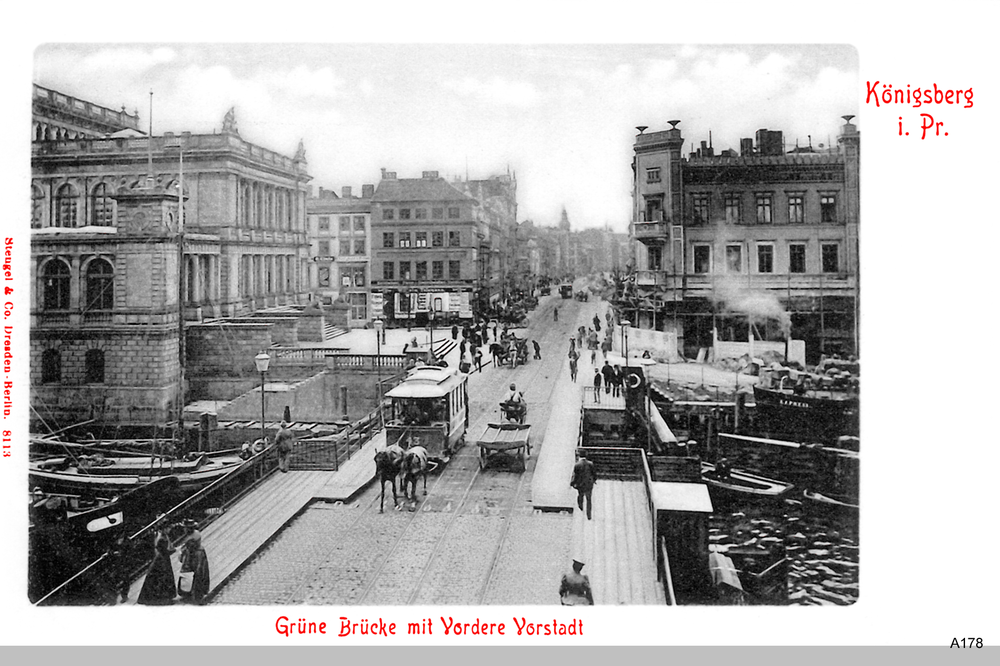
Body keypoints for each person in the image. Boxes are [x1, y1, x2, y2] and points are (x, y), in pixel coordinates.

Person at [137, 528, 176, 605]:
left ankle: (163, 597)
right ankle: (162, 597)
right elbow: (162, 548)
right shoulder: (161, 538)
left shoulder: (163, 537)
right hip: (162, 558)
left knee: (163, 575)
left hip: (163, 557)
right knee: (162, 576)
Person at [177, 530, 211, 605]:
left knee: (197, 573)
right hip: (192, 554)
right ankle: (190, 591)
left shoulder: (193, 536)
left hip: (194, 554)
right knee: (194, 573)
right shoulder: (194, 535)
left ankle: (194, 592)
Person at [570, 453, 597, 520]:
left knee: (580, 495)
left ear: (579, 456)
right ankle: (589, 515)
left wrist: (572, 483)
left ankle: (581, 506)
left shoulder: (577, 465)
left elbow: (575, 476)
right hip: (589, 484)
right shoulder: (590, 464)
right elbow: (594, 473)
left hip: (581, 484)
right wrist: (594, 480)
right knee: (589, 499)